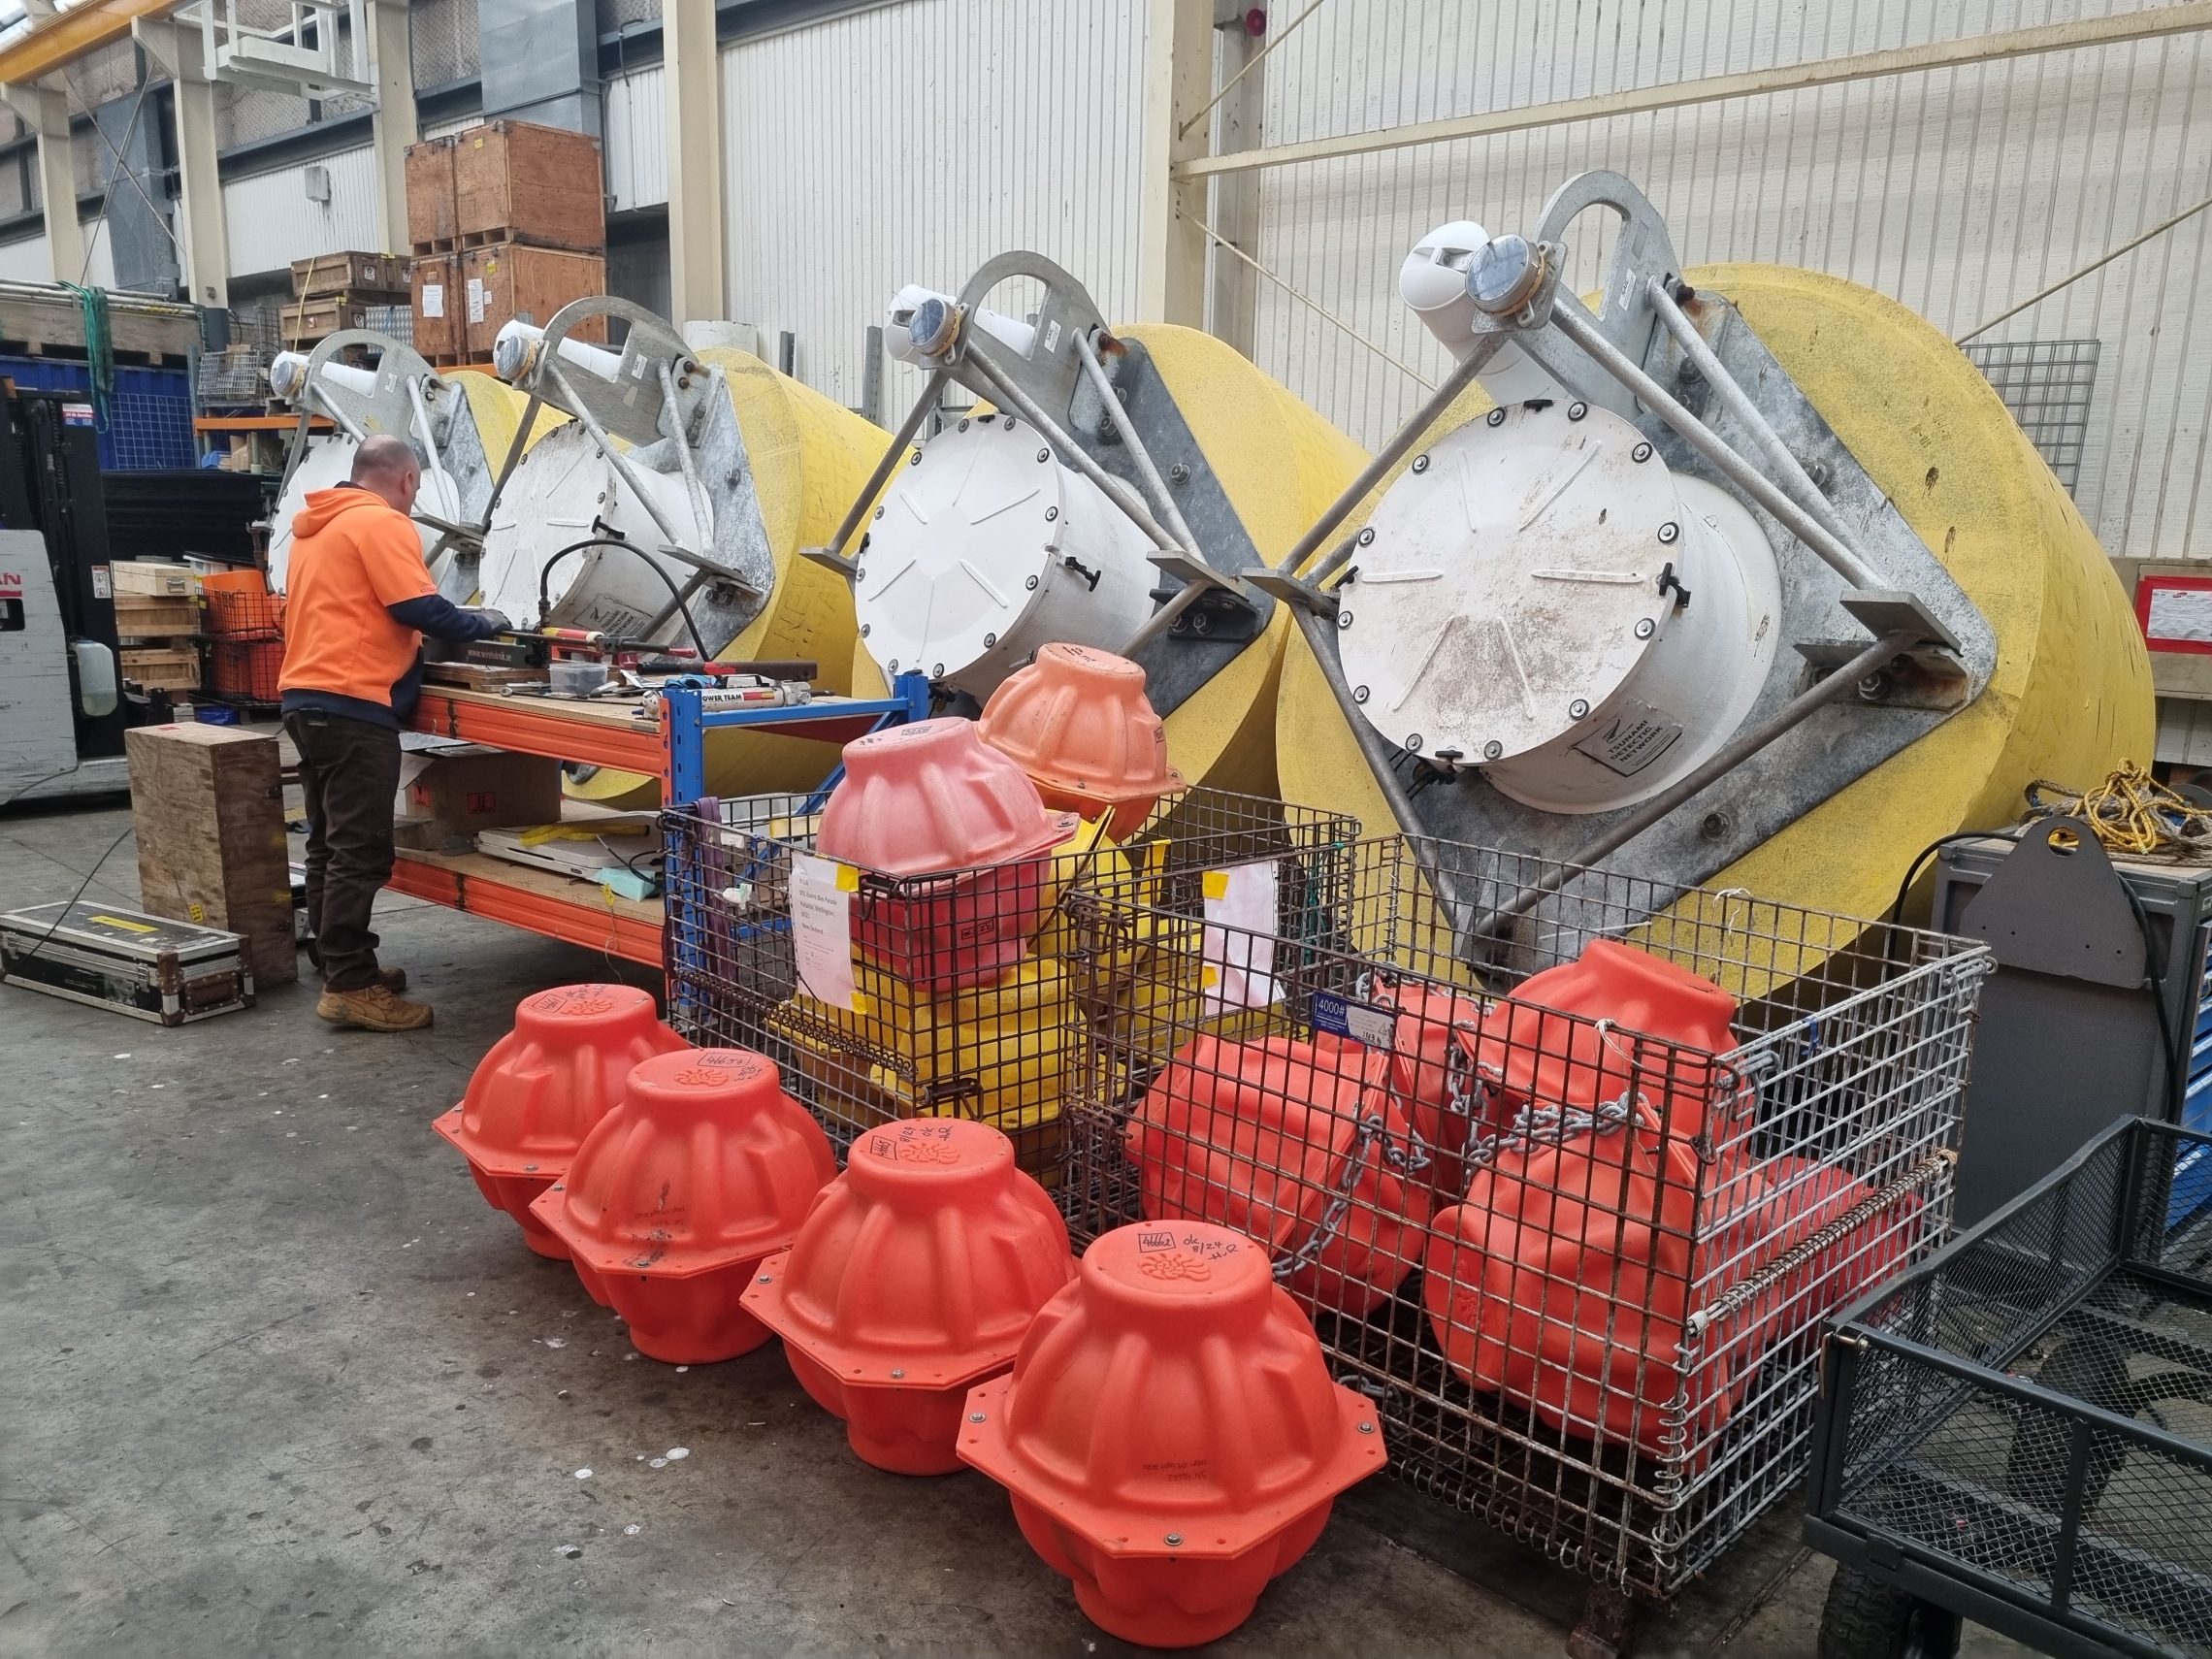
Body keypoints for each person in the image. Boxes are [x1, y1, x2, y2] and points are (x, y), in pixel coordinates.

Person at [279, 434, 508, 1032]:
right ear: (406, 480)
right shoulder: (378, 524)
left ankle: (340, 964)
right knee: (361, 850)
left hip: (305, 701)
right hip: (353, 705)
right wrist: (484, 623)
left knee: (329, 844)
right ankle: (351, 986)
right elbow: (418, 607)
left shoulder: (316, 528)